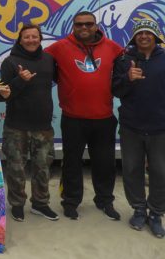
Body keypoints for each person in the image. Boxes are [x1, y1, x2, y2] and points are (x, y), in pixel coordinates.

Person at [45, 11, 122, 220]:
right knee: (71, 163)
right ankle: (70, 201)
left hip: (104, 118)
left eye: (89, 24)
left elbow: (128, 70)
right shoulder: (59, 47)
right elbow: (34, 57)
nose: (84, 28)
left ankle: (104, 200)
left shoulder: (113, 48)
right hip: (73, 118)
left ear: (96, 26)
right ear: (73, 26)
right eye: (79, 24)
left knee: (105, 164)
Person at [0, 24, 58, 222]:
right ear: (20, 40)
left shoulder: (49, 60)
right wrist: (20, 81)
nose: (31, 40)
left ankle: (41, 204)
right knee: (16, 169)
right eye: (26, 37)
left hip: (43, 126)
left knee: (43, 168)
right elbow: (4, 94)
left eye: (34, 36)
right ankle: (17, 204)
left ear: (40, 38)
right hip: (17, 126)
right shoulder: (10, 62)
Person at [112, 18, 165, 238]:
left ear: (156, 36)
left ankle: (156, 213)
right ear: (134, 37)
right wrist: (128, 78)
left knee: (161, 172)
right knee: (131, 169)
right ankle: (139, 209)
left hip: (160, 127)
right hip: (131, 126)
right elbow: (115, 89)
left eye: (148, 33)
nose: (144, 36)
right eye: (140, 33)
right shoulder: (124, 59)